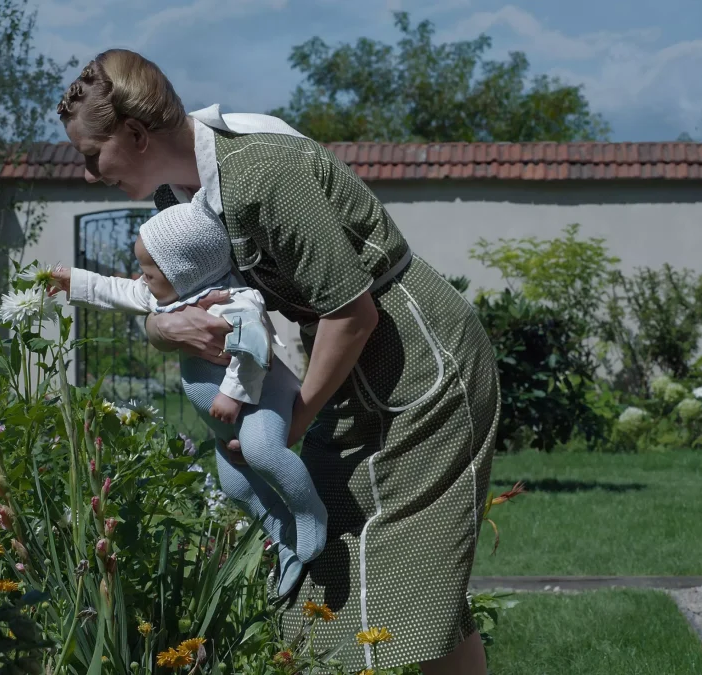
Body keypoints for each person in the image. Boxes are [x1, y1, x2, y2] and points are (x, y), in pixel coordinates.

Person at [54, 49, 501, 674]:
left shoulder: (261, 174)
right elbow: (174, 300)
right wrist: (162, 329)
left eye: (91, 154)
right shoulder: (179, 198)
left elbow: (353, 314)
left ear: (135, 133)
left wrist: (294, 423)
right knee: (359, 570)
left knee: (394, 573)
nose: (87, 173)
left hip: (420, 364)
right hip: (350, 371)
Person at [50, 188, 327, 598]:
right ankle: (282, 533)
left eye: (149, 272)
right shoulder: (169, 296)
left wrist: (232, 394)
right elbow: (118, 290)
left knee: (263, 451)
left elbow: (255, 349)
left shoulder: (234, 301)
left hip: (260, 399)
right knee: (236, 486)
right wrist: (73, 281)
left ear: (183, 271)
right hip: (226, 422)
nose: (141, 277)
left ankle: (309, 513)